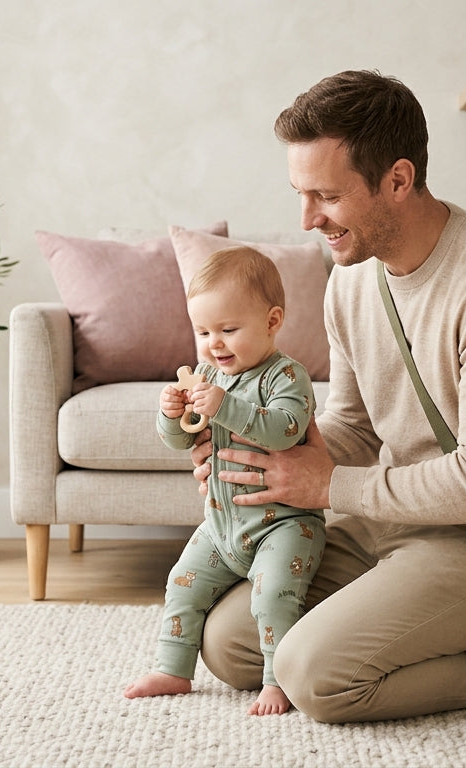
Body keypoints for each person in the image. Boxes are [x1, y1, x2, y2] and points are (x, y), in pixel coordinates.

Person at [191, 70, 466, 723]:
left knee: (313, 676)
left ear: (398, 180)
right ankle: (410, 632)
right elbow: (353, 430)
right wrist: (262, 458)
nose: (307, 220)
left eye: (326, 195)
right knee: (231, 645)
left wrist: (326, 488)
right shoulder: (350, 282)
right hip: (395, 523)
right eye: (300, 194)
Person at [124, 245, 324, 716]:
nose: (215, 343)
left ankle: (278, 680)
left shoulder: (286, 375)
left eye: (229, 330)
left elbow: (285, 429)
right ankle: (172, 668)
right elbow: (182, 441)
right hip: (222, 524)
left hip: (285, 526)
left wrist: (224, 406)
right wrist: (172, 417)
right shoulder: (209, 376)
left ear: (272, 321)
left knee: (274, 595)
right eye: (204, 331)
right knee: (181, 583)